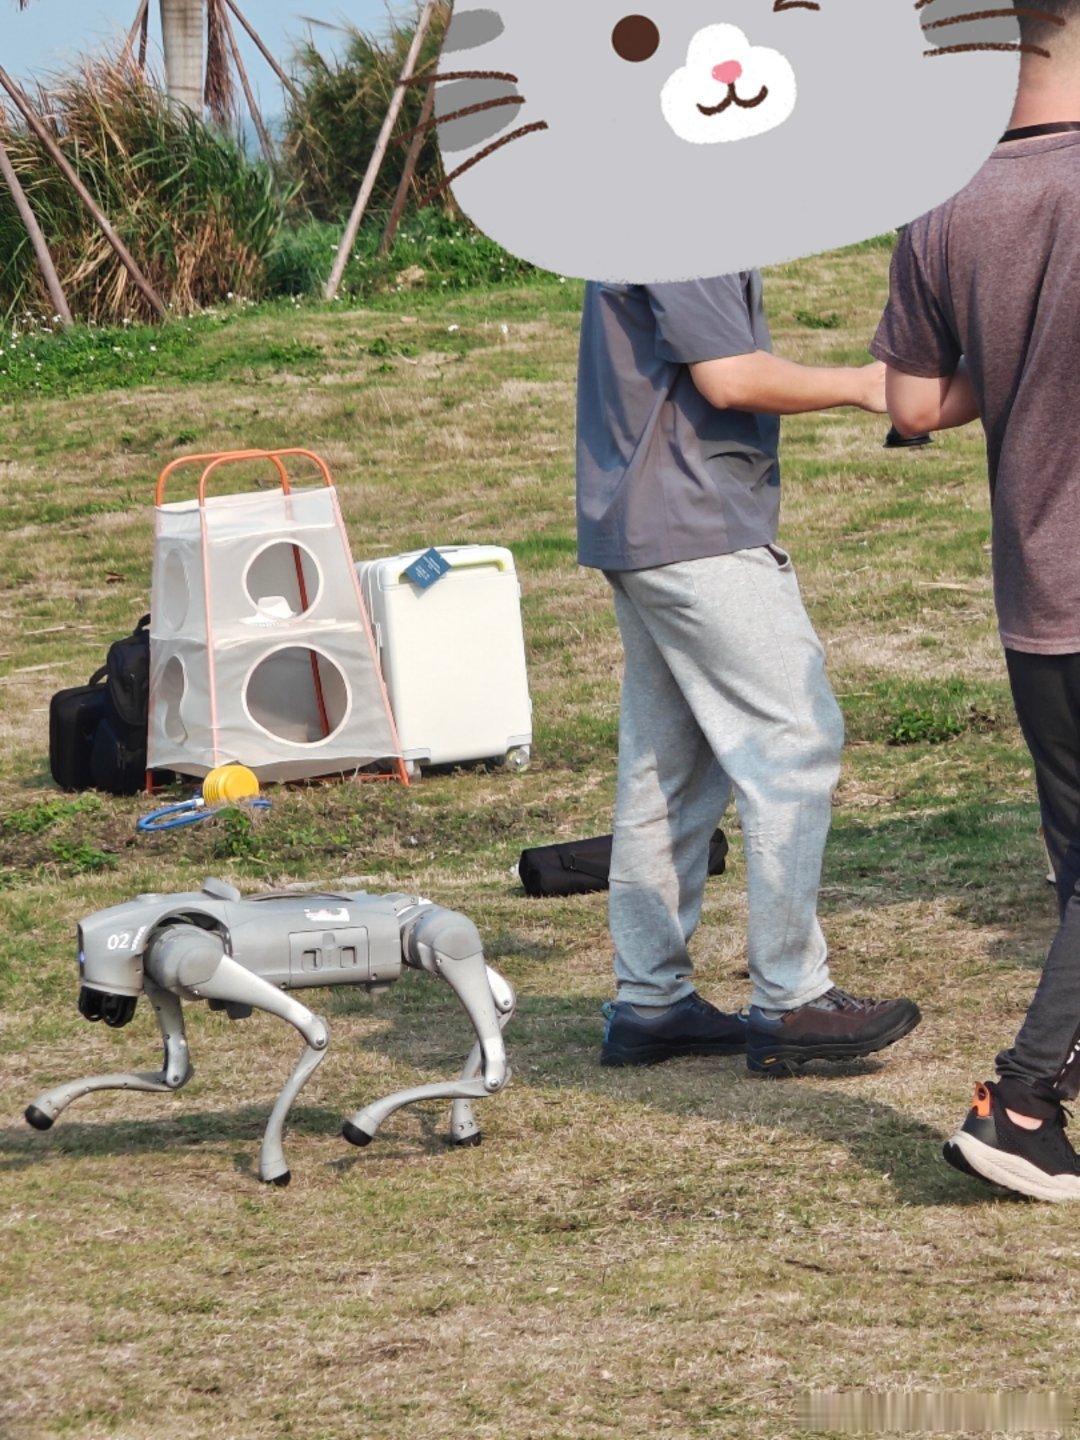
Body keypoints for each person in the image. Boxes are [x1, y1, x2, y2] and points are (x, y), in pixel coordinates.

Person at [577, 275, 921, 1075]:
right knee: (793, 743)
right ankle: (791, 999)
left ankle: (651, 1003)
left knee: (670, 770)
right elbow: (729, 377)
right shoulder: (688, 224)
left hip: (647, 523)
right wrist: (866, 385)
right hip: (697, 527)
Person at [871, 0, 1080, 1200]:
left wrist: (1015, 356)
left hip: (1038, 587)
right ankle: (1025, 1099)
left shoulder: (942, 201)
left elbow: (911, 406)